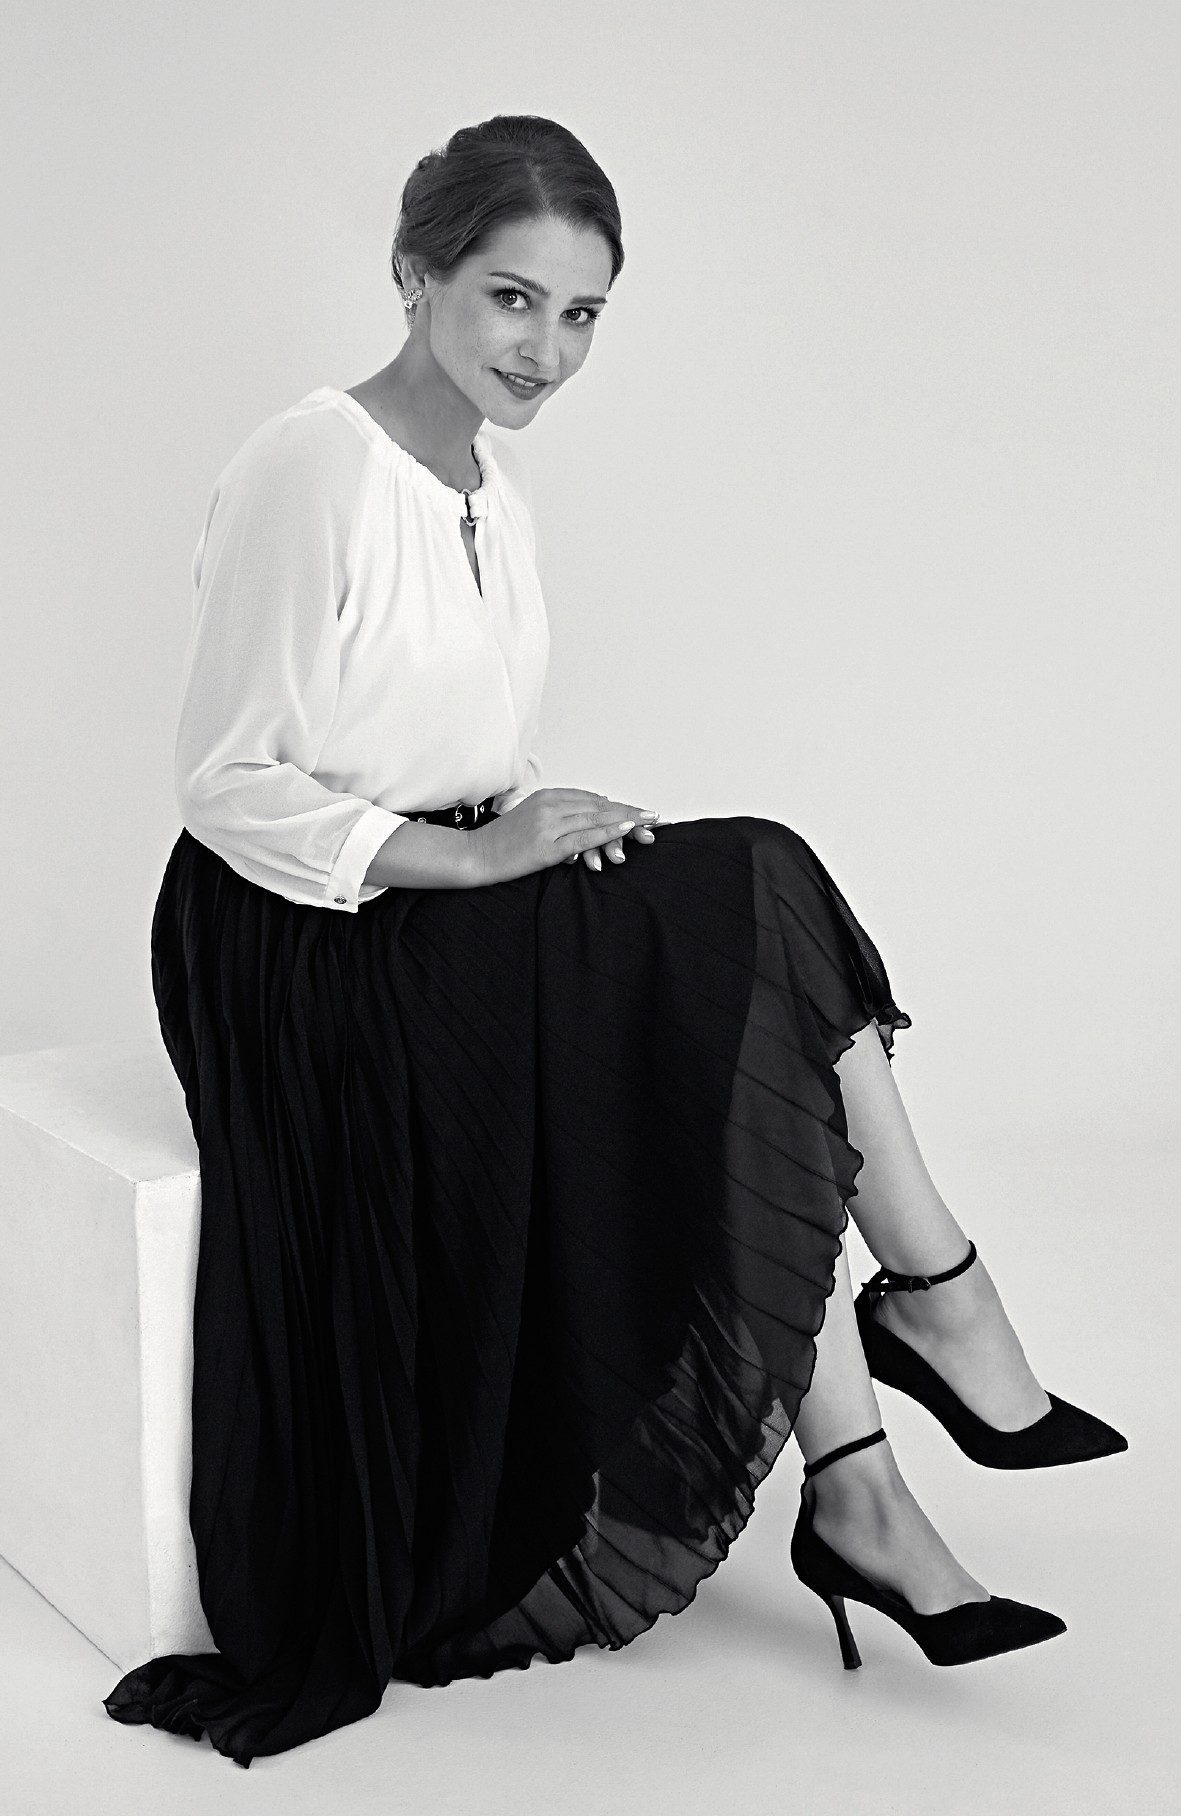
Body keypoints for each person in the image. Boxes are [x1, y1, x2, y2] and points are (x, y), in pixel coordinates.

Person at [103, 114, 1125, 1767]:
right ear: (415, 274)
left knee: (726, 945)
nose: (547, 350)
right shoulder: (313, 462)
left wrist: (534, 818)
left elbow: (448, 739)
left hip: (439, 891)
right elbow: (226, 786)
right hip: (298, 938)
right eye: (512, 300)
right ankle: (935, 1311)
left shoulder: (493, 484)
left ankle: (865, 1474)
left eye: (581, 316)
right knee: (752, 893)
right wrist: (479, 855)